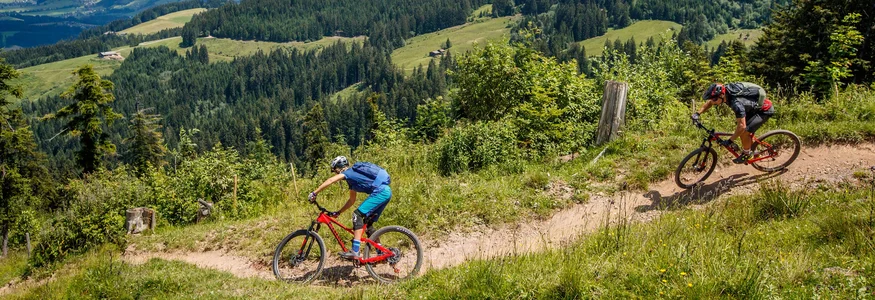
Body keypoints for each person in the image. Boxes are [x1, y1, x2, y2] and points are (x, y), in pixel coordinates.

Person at [308, 156, 391, 259]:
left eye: (335, 171)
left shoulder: (347, 173)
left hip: (381, 192)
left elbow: (330, 180)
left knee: (357, 215)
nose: (335, 173)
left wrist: (314, 193)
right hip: (385, 192)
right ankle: (381, 252)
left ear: (338, 168)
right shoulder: (352, 179)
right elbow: (352, 200)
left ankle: (355, 251)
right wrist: (339, 212)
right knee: (368, 223)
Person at [692, 82, 775, 164]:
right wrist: (697, 113)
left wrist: (730, 141)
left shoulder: (736, 104)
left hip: (764, 111)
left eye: (714, 99)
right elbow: (710, 102)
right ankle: (754, 151)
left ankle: (747, 154)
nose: (713, 102)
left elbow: (742, 126)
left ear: (721, 95)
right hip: (751, 108)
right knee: (744, 131)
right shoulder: (724, 94)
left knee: (744, 131)